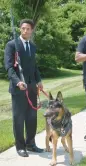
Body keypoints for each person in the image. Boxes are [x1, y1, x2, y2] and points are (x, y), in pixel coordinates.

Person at [4, 19, 44, 157]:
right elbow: (9, 67)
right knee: (19, 118)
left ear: (32, 30)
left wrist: (38, 80)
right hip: (18, 88)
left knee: (32, 117)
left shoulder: (32, 46)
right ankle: (20, 147)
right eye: (23, 28)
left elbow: (34, 66)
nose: (25, 31)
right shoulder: (11, 45)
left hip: (32, 87)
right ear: (20, 29)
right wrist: (17, 82)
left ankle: (31, 144)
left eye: (28, 29)